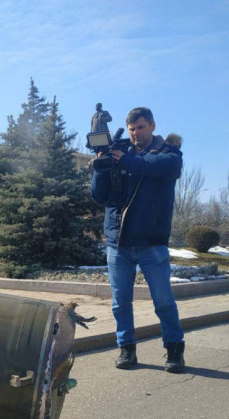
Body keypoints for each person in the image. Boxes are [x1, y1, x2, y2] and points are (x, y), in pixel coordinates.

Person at [90, 107, 185, 373]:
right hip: (118, 242)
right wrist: (101, 165)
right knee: (120, 302)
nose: (135, 133)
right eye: (131, 129)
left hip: (152, 242)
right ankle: (126, 349)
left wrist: (127, 161)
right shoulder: (120, 153)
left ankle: (174, 350)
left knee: (163, 300)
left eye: (140, 127)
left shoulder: (168, 153)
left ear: (152, 126)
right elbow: (99, 196)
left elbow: (162, 167)